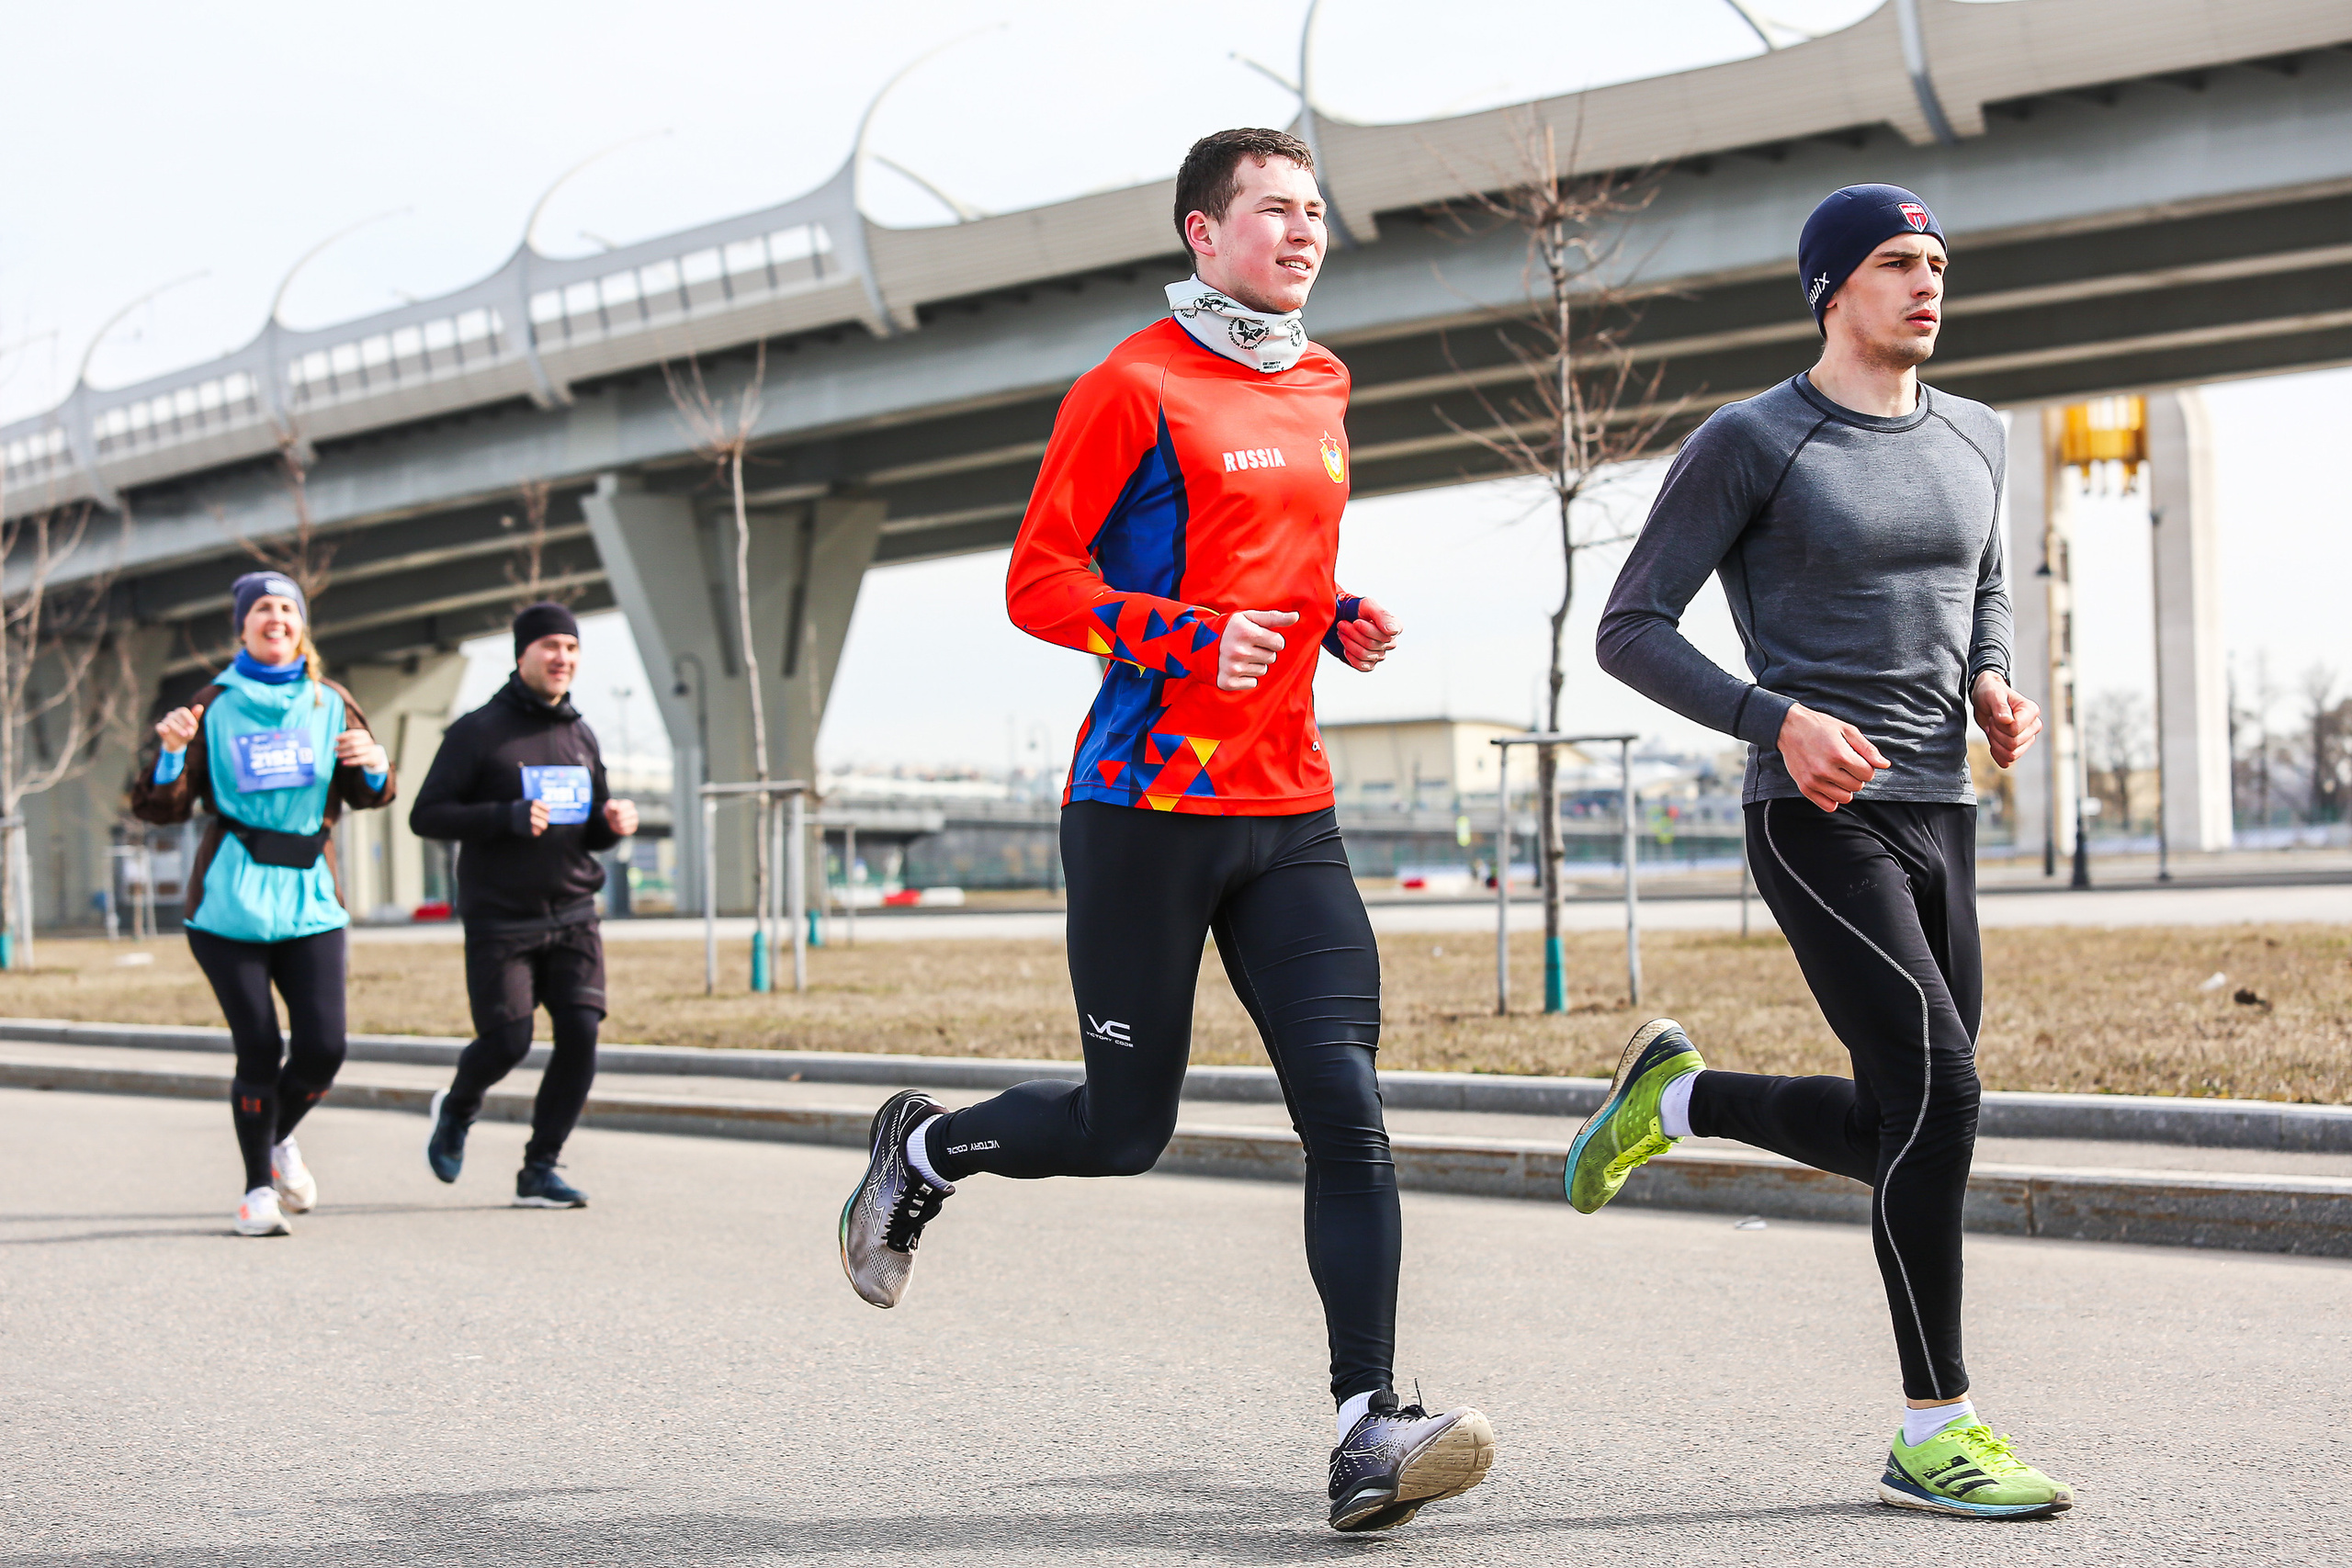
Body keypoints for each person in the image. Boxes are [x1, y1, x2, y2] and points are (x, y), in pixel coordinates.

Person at [834, 128, 1494, 1535]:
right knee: (1125, 1126)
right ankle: (926, 1152)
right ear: (1203, 233)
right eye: (1272, 210)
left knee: (1350, 1110)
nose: (1303, 231)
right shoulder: (1128, 385)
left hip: (1291, 810)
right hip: (1145, 807)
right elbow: (1038, 581)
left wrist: (1332, 614)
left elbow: (1275, 566)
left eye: (1315, 211)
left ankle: (1367, 1427)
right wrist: (1188, 636)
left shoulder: (1323, 380)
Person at [1583, 184, 2071, 1518]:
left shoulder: (1975, 431)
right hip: (1813, 816)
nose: (1928, 285)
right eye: (1898, 263)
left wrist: (1991, 680)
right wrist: (1776, 718)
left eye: (1937, 264)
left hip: (1938, 808)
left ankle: (1678, 1101)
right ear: (1829, 291)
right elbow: (1630, 625)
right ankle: (1936, 1424)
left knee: (1903, 1115)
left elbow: (1980, 585)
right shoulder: (1755, 440)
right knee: (1946, 1092)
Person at [131, 571, 395, 1237]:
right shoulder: (213, 703)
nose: (274, 618)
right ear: (242, 627)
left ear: (301, 626)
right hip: (230, 904)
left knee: (324, 1048)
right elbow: (160, 806)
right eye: (262, 610)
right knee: (258, 1044)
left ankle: (276, 1138)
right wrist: (168, 756)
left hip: (310, 898)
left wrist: (372, 762)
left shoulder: (330, 699)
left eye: (286, 608)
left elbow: (372, 793)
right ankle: (257, 1191)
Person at [413, 602, 638, 1209]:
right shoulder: (478, 731)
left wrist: (611, 823)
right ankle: (458, 1106)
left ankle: (540, 1167)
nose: (562, 657)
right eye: (550, 646)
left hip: (573, 912)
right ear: (523, 654)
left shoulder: (580, 733)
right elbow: (425, 814)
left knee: (581, 1035)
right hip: (501, 917)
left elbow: (588, 826)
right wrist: (505, 816)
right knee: (508, 1040)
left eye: (571, 647)